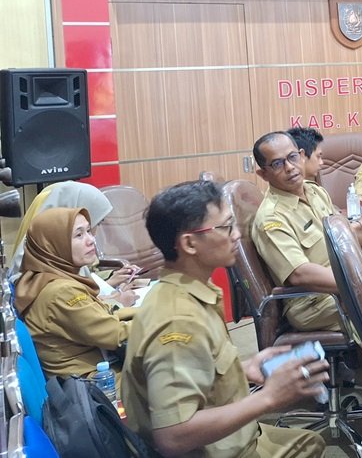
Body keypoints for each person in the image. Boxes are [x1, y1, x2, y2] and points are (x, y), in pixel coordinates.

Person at [120, 180, 328, 458]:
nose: (236, 234)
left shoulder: (186, 291)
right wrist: (269, 398)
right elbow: (173, 435)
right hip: (217, 451)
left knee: (312, 442)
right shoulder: (177, 321)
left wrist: (241, 368)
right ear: (190, 243)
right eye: (225, 227)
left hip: (239, 437)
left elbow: (196, 363)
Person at [250, 132, 362, 332]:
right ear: (264, 174)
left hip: (343, 287)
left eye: (292, 157)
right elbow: (300, 274)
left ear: (301, 155)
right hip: (315, 302)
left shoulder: (315, 191)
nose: (289, 167)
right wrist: (358, 284)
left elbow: (337, 237)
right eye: (277, 164)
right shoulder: (271, 218)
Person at [15, 206, 131, 378]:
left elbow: (102, 314)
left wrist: (148, 312)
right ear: (53, 244)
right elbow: (115, 334)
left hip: (96, 375)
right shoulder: (60, 291)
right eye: (79, 235)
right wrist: (165, 320)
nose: (91, 240)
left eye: (89, 231)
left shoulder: (43, 278)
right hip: (98, 387)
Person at [10, 181, 140, 301]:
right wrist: (116, 301)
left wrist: (110, 281)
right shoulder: (45, 279)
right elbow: (80, 310)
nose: (92, 237)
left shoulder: (55, 259)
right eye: (80, 233)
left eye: (89, 229)